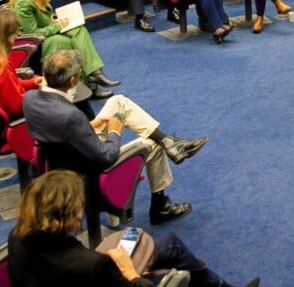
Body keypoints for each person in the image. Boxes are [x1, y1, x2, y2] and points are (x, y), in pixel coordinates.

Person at [23, 50, 205, 225]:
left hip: (61, 161)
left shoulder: (30, 98)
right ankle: (160, 206)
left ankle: (170, 143)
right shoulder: (71, 116)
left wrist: (90, 126)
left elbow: (60, 129)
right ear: (72, 80)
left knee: (118, 102)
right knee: (152, 144)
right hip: (85, 177)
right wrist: (114, 131)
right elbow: (106, 156)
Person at [8, 170, 253, 287]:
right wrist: (129, 272)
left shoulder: (16, 237)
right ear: (73, 212)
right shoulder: (92, 264)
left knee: (168, 243)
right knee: (169, 274)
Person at [10, 0, 120, 97]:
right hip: (35, 43)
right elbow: (33, 32)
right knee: (68, 43)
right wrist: (58, 26)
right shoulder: (23, 3)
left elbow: (42, 19)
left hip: (46, 33)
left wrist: (54, 20)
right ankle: (90, 81)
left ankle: (94, 74)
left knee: (79, 30)